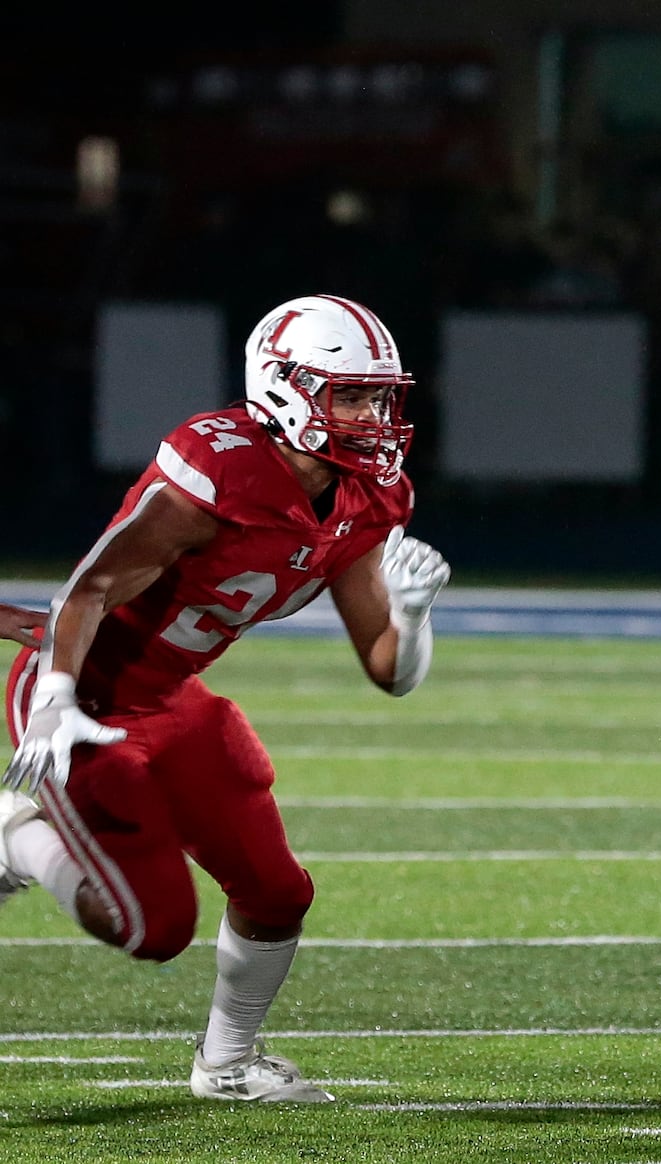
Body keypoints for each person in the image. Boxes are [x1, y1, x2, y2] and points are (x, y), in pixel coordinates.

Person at [0, 294, 450, 1102]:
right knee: (153, 927)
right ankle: (14, 841)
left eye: (380, 397)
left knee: (278, 893)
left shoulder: (369, 495)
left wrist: (413, 618)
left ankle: (227, 1064)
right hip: (83, 701)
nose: (373, 416)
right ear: (283, 387)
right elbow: (90, 589)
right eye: (350, 394)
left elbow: (389, 670)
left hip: (171, 698)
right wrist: (55, 697)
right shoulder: (221, 468)